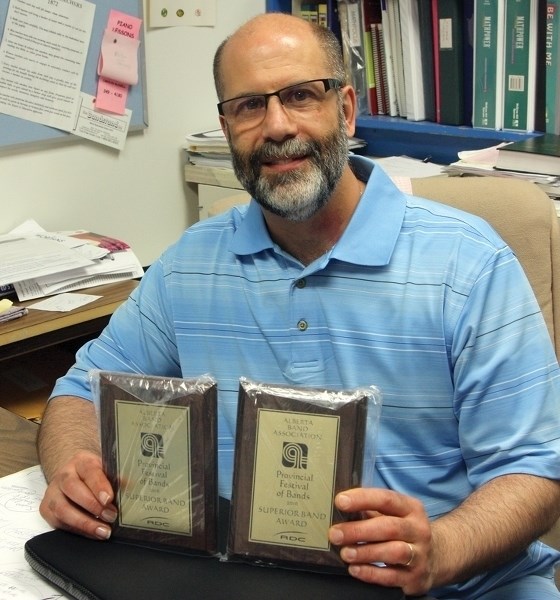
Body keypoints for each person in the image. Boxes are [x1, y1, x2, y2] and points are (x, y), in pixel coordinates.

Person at [37, 12, 560, 599]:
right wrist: (73, 464)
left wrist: (445, 547)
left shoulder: (469, 263)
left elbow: (536, 469)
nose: (277, 126)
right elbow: (80, 390)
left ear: (346, 108)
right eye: (249, 106)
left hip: (456, 588)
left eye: (300, 95)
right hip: (260, 582)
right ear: (226, 124)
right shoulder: (189, 266)